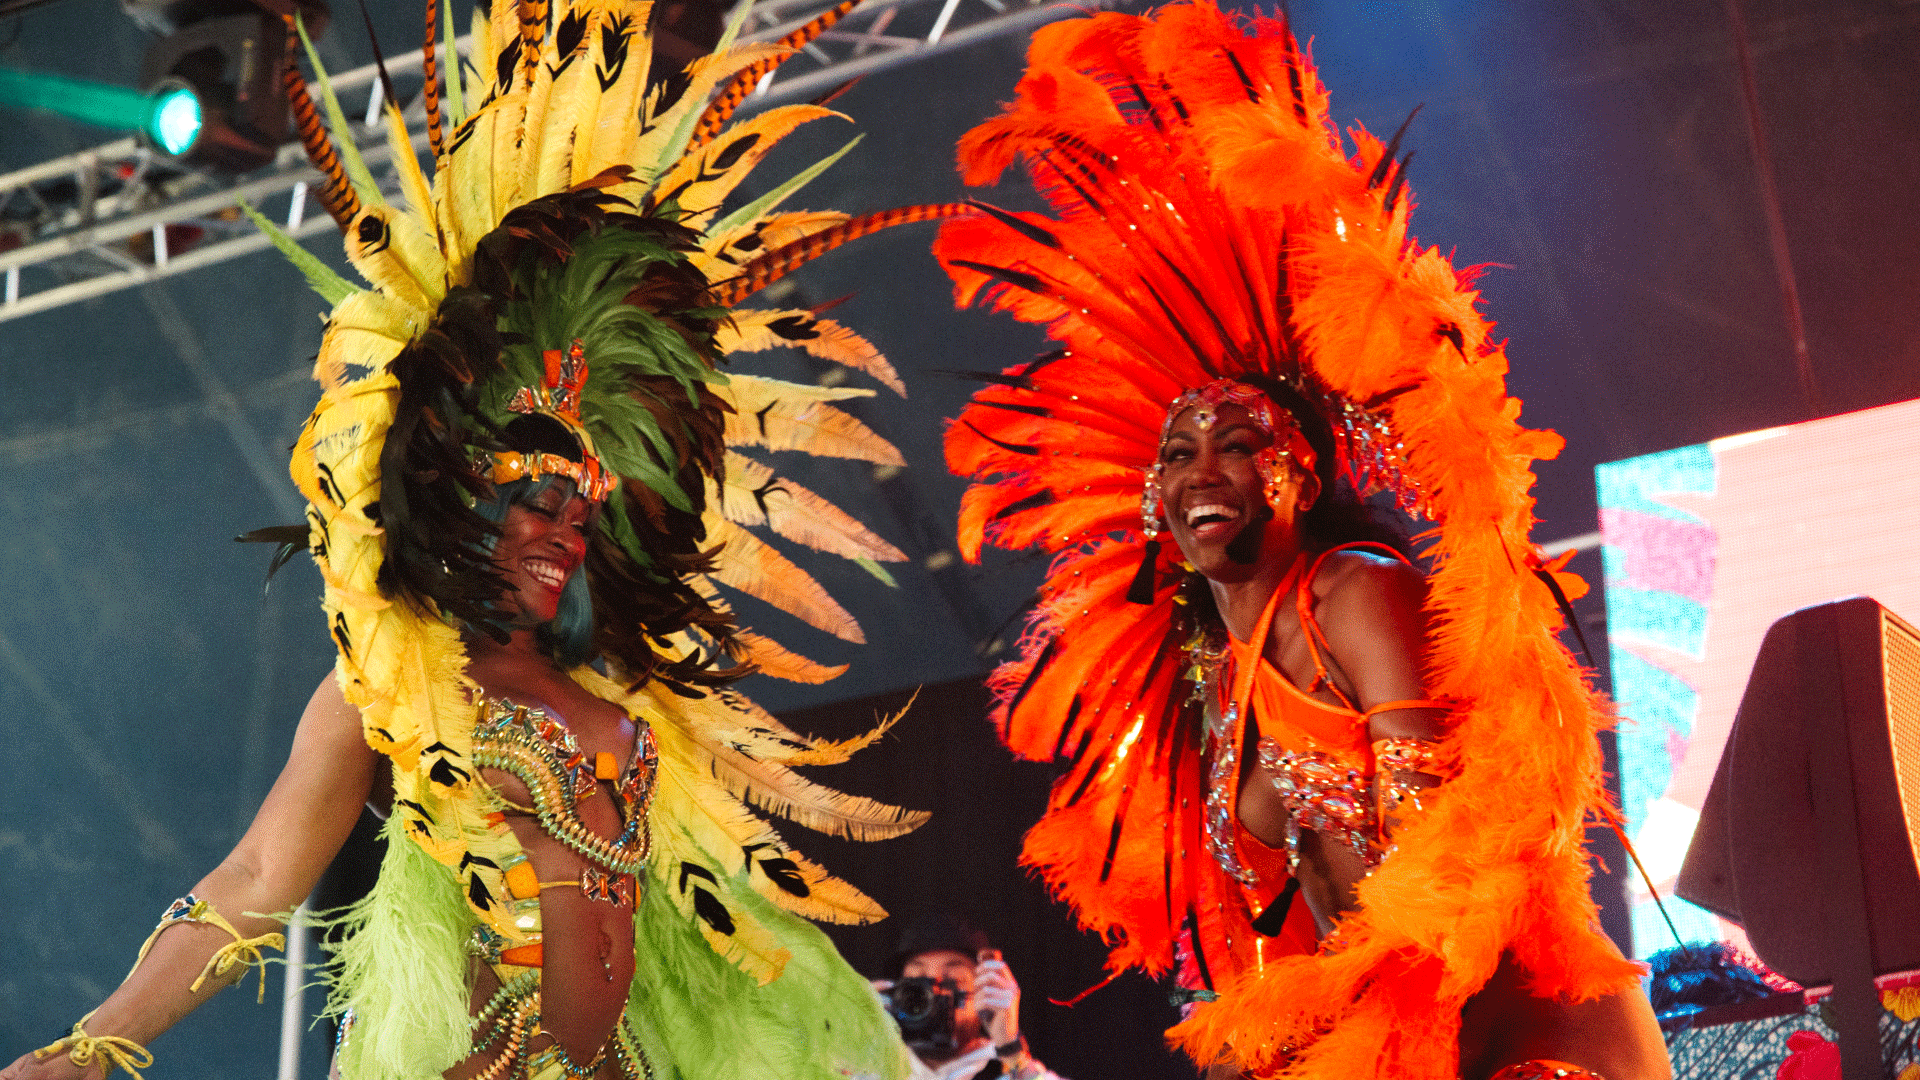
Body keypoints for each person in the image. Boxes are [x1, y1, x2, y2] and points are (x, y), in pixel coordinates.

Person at [1, 2, 961, 1078]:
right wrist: (100, 1043)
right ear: (455, 488)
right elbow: (259, 872)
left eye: (582, 511)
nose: (565, 533)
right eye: (537, 501)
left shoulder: (627, 682)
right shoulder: (389, 684)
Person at [931, 3, 1672, 1079]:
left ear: (1303, 473)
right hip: (1388, 1033)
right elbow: (1282, 930)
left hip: (1514, 1035)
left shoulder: (1353, 592)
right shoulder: (1212, 679)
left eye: (1237, 444)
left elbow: (1443, 877)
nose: (1201, 472)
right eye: (1177, 454)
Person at [870, 919, 1069, 1080]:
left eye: (952, 982)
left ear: (988, 992)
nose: (933, 997)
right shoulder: (866, 1069)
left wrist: (1011, 1050)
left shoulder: (1009, 1071)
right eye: (918, 985)